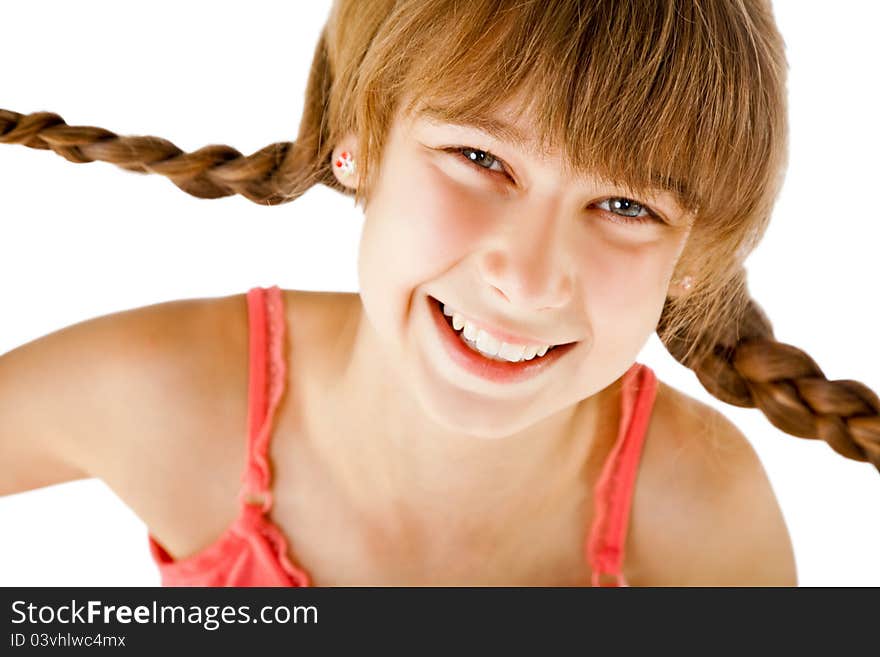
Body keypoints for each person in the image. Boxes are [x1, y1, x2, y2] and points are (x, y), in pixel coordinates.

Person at [1, 0, 877, 587]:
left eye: (623, 205)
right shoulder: (164, 394)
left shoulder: (704, 528)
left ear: (692, 262)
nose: (529, 277)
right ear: (359, 142)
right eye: (481, 159)